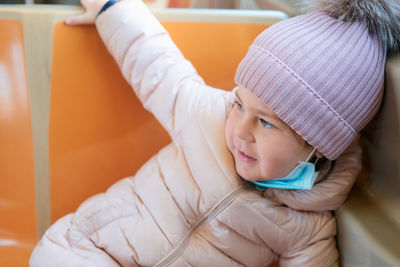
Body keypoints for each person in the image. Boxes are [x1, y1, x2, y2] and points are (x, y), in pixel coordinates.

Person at [30, 0, 399, 266]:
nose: (239, 129)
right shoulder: (205, 115)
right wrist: (112, 7)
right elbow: (154, 63)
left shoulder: (309, 230)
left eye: (267, 123)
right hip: (92, 250)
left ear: (318, 146)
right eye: (240, 104)